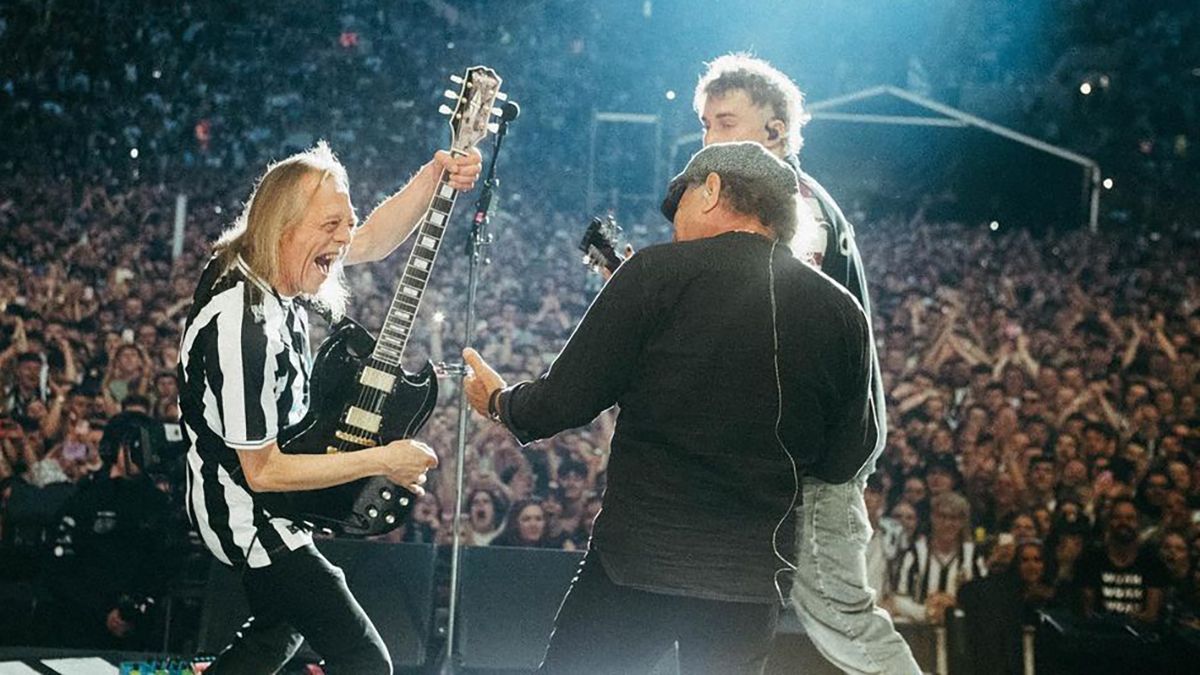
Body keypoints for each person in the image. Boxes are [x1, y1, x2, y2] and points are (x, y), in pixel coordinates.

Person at [463, 141, 877, 674]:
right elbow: (847, 458)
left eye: (676, 205)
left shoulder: (654, 273)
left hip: (637, 564)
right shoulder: (842, 311)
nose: (673, 226)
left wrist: (498, 401)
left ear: (711, 190)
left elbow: (558, 404)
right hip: (749, 583)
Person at [178, 141, 479, 674]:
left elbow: (375, 240)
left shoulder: (266, 262)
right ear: (283, 226)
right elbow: (264, 472)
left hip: (272, 498)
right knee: (367, 664)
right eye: (331, 224)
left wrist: (435, 173)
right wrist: (383, 459)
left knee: (275, 637)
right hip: (248, 513)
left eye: (347, 221)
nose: (345, 238)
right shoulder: (242, 326)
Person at [692, 54, 916, 672]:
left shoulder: (794, 208)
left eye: (726, 121)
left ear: (775, 131)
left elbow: (785, 318)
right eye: (706, 123)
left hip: (816, 459)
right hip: (789, 453)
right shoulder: (774, 208)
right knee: (727, 609)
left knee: (840, 616)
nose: (709, 138)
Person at [1077, 497, 1168, 624]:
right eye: (1117, 517)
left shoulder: (1152, 562)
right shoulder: (1091, 559)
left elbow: (1151, 615)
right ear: (1109, 522)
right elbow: (1087, 612)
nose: (1123, 522)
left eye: (1130, 518)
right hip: (1100, 634)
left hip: (1140, 637)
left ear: (1139, 523)